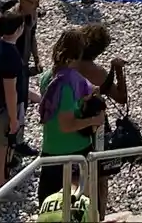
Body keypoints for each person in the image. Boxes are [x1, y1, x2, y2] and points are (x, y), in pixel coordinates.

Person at [38, 26, 108, 218]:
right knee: (76, 210)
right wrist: (94, 120)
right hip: (74, 153)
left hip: (50, 150)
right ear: (78, 54)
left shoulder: (47, 77)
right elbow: (66, 125)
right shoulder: (68, 84)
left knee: (47, 207)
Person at [0, 11, 30, 187]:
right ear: (18, 29)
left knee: (1, 145)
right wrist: (14, 119)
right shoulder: (12, 55)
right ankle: (0, 184)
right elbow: (11, 91)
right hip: (5, 106)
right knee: (3, 146)